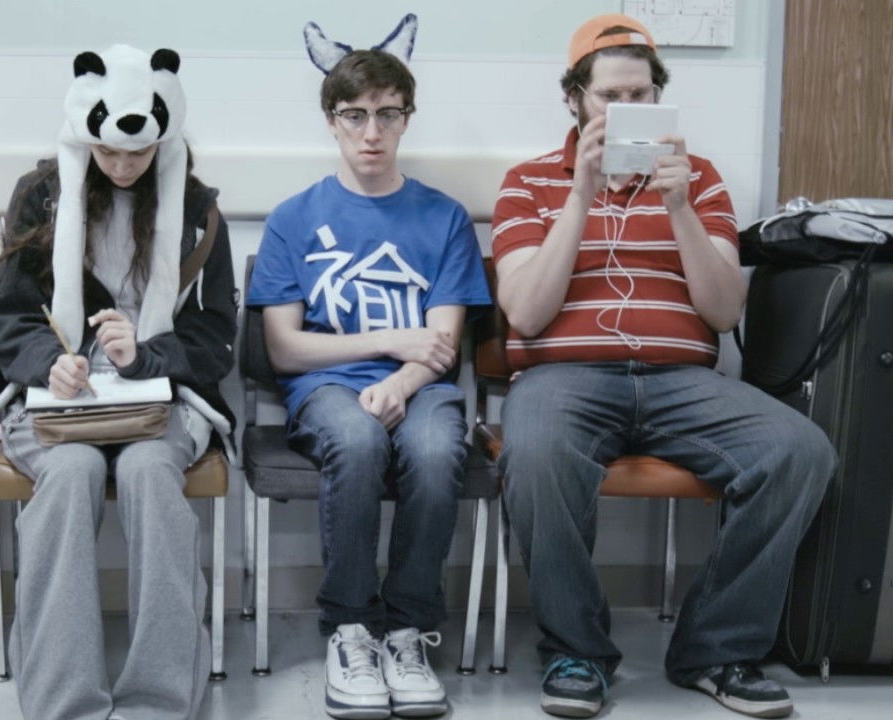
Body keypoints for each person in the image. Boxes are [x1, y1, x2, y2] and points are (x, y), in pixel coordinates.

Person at [490, 14, 836, 719]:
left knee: (800, 451)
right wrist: (581, 196)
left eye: (642, 96)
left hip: (682, 382)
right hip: (564, 380)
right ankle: (576, 650)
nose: (627, 110)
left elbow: (722, 311)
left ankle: (717, 650)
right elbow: (525, 312)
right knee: (536, 448)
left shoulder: (699, 179)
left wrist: (678, 207)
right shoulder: (527, 183)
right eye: (610, 97)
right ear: (575, 99)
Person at [0, 45, 236, 720]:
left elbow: (215, 336)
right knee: (70, 473)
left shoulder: (197, 211)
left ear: (163, 138)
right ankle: (65, 703)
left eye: (136, 153)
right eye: (107, 151)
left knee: (150, 473)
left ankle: (159, 702)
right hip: (56, 402)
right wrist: (49, 363)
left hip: (161, 401)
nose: (120, 166)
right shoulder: (42, 197)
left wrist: (147, 353)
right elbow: (8, 316)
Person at [246, 16, 492, 720]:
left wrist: (402, 380)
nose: (371, 132)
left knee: (437, 448)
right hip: (323, 389)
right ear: (332, 120)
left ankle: (407, 631)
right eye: (355, 115)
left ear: (407, 118)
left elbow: (442, 346)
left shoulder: (444, 218)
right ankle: (351, 628)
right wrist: (391, 341)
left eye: (388, 114)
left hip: (424, 390)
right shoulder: (293, 217)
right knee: (355, 440)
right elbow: (286, 349)